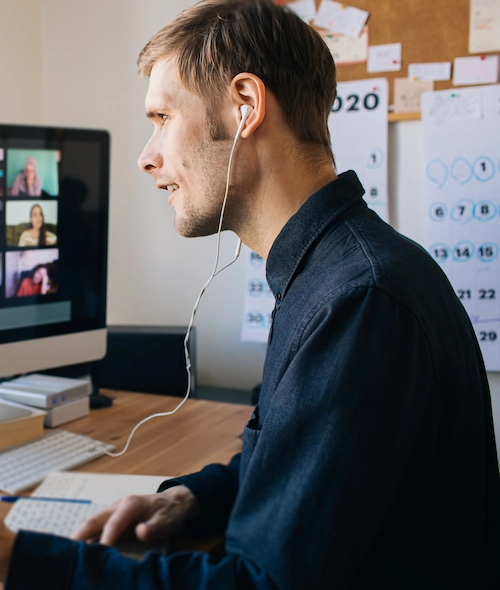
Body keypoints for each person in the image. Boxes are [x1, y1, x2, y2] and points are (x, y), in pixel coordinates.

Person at [1, 1, 500, 588]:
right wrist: (192, 499)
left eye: (162, 118)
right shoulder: (337, 270)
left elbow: (262, 584)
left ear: (246, 107)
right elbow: (297, 459)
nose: (146, 156)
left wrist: (20, 561)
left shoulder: (359, 300)